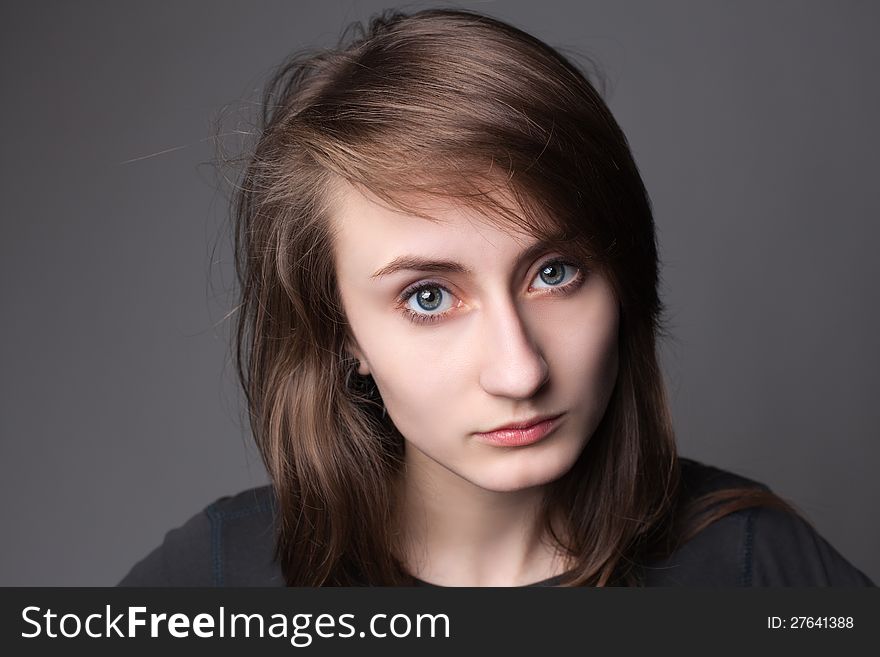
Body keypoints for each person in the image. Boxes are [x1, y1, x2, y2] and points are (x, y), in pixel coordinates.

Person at [119, 7, 872, 587]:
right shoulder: (218, 583)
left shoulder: (753, 571)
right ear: (339, 330)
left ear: (626, 275)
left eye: (554, 273)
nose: (519, 371)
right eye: (427, 297)